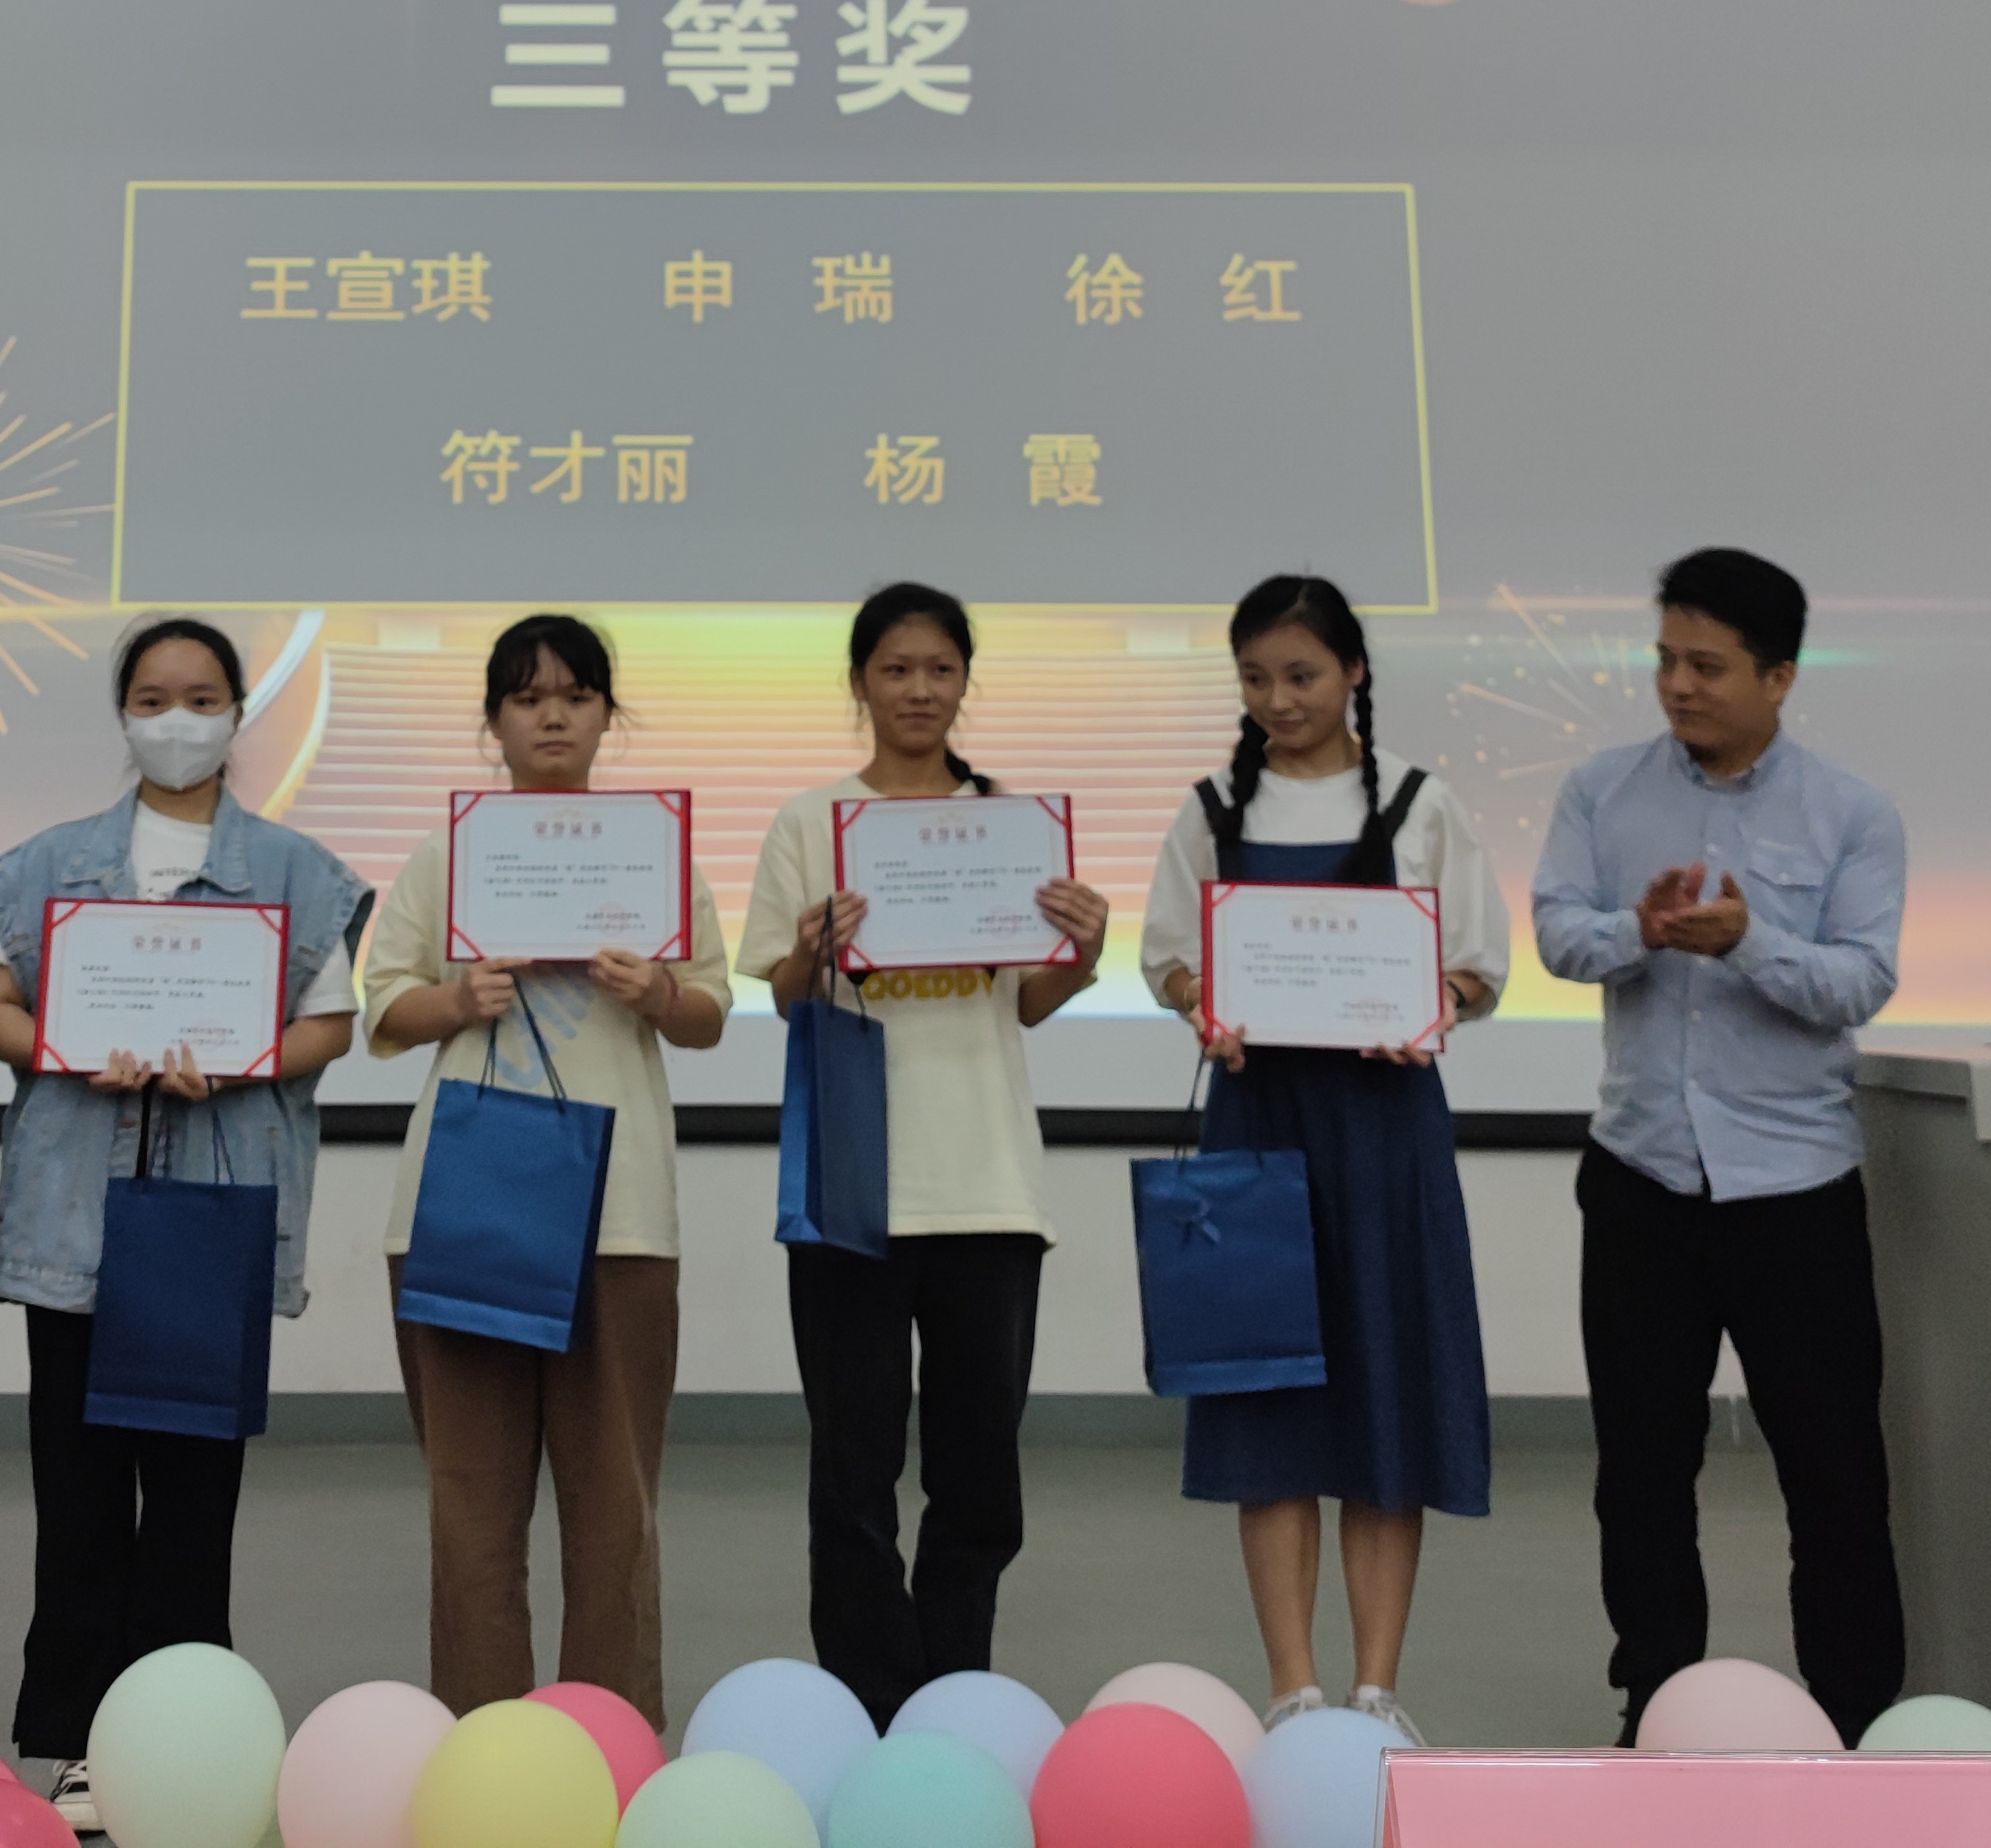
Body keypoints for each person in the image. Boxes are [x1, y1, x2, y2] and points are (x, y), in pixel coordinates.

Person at [0, 618, 371, 1827]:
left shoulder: (296, 870)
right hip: (75, 1225)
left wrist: (238, 1061)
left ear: (238, 712)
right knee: (79, 1494)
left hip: (210, 1217)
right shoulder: (53, 862)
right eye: (152, 699)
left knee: (196, 1498)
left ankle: (189, 1737)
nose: (177, 720)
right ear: (124, 715)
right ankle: (82, 1743)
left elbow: (328, 1028)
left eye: (201, 698)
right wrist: (68, 1048)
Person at [1529, 545, 1908, 1745]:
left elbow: (1862, 981)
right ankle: (1657, 1708)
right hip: (1640, 1179)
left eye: (1707, 665)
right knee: (1641, 1473)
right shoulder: (1602, 791)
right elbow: (1557, 935)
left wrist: (1748, 942)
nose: (1678, 686)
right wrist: (1638, 933)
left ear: (1778, 676)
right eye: (1665, 661)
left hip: (1795, 1187)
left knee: (1834, 1476)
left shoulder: (1852, 812)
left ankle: (1856, 1723)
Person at [1140, 575, 1507, 1739]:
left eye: (1300, 675)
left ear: (1353, 671)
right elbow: (1167, 957)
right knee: (1271, 1408)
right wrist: (1201, 1002)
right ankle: (1294, 1689)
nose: (1277, 699)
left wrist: (1432, 1004)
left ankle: (1376, 1689)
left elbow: (1479, 965)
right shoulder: (1212, 809)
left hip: (1385, 1133)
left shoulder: (1419, 803)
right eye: (1255, 679)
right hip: (1262, 1125)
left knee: (1388, 1399)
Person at [742, 582, 1110, 1721]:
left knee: (978, 1473)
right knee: (853, 1470)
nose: (918, 690)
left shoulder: (1010, 826)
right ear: (860, 681)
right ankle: (867, 1702)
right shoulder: (812, 822)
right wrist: (811, 952)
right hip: (853, 1188)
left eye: (940, 669)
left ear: (964, 681)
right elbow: (786, 996)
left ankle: (953, 1696)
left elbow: (1029, 1003)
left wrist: (1082, 954)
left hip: (988, 1187)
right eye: (896, 669)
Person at [364, 614, 727, 1721]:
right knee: (471, 1512)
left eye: (576, 695)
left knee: (615, 1509)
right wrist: (455, 1000)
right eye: (528, 698)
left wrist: (658, 993)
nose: (554, 716)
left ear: (609, 714)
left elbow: (710, 1013)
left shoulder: (656, 852)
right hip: (465, 1204)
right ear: (494, 721)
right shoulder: (450, 854)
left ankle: (608, 1745)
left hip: (619, 1216)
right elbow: (383, 1007)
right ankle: (484, 1754)